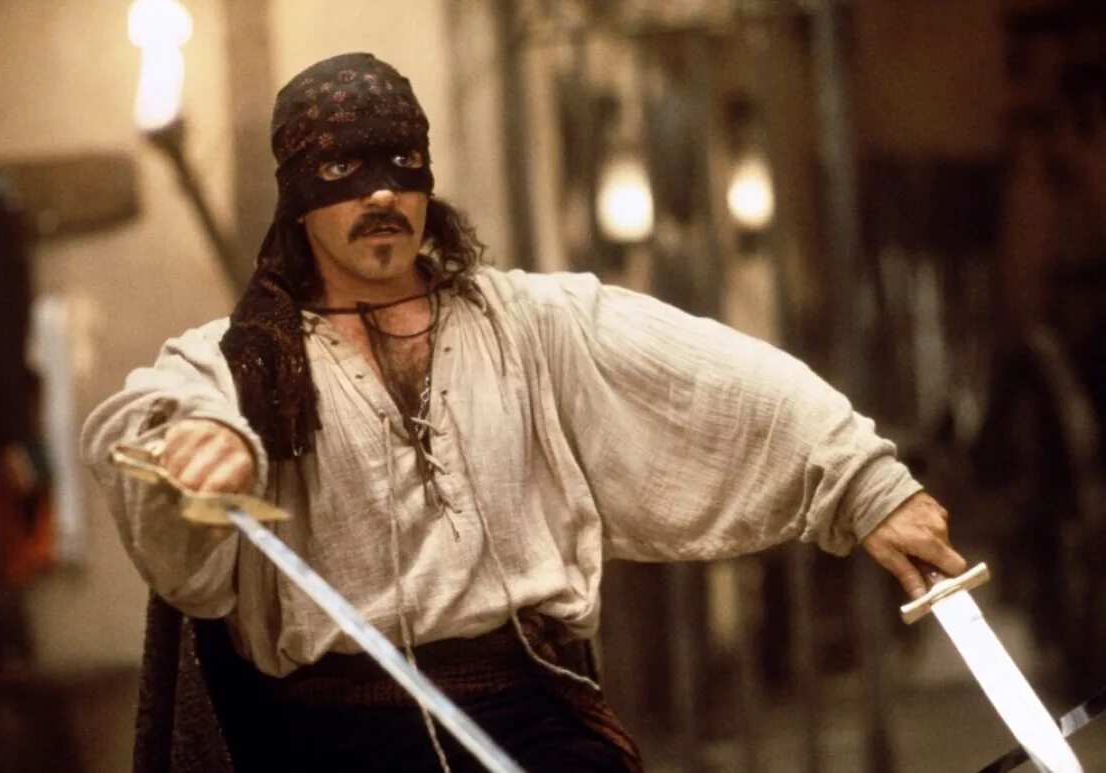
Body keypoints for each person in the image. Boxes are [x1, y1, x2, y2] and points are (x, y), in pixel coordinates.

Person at [82, 52, 966, 772]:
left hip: (529, 709)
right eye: (344, 170)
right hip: (330, 737)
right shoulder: (239, 361)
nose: (381, 193)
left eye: (401, 163)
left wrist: (865, 484)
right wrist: (199, 442)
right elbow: (148, 420)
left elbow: (716, 382)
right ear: (298, 197)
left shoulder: (532, 324)